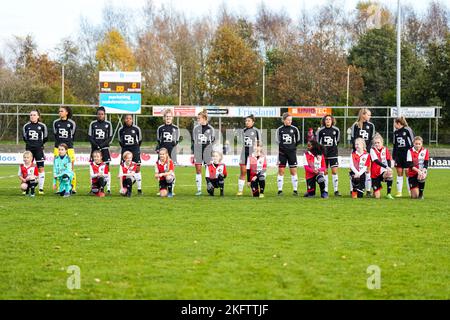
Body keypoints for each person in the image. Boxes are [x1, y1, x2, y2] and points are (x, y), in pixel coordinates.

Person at [350, 108, 375, 197]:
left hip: (366, 152)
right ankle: (353, 189)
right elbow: (353, 139)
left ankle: (368, 190)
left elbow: (371, 140)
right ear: (363, 115)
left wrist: (366, 151)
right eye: (368, 114)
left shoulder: (371, 125)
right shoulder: (355, 125)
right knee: (354, 171)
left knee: (367, 171)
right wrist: (356, 150)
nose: (369, 116)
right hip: (356, 152)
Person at [88, 106, 113, 194]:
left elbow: (110, 137)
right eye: (99, 114)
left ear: (104, 115)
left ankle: (108, 188)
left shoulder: (108, 124)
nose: (100, 115)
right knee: (93, 167)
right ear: (96, 115)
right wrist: (96, 145)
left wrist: (102, 145)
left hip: (105, 149)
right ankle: (93, 188)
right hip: (95, 148)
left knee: (107, 168)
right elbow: (90, 137)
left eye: (102, 114)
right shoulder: (93, 124)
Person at [53, 106, 77, 193]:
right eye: (59, 111)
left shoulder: (72, 123)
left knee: (71, 168)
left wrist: (67, 144)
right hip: (57, 148)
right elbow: (55, 134)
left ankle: (73, 187)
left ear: (66, 112)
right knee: (58, 168)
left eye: (62, 111)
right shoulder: (56, 122)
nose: (60, 113)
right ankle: (60, 188)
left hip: (69, 148)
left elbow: (73, 135)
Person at [23, 110, 47, 194]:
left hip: (39, 150)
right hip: (29, 149)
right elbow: (24, 138)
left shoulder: (42, 126)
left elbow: (45, 137)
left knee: (40, 168)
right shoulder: (26, 126)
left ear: (38, 116)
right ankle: (26, 188)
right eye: (31, 115)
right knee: (27, 168)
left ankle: (41, 189)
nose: (32, 116)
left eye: (34, 115)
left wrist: (39, 144)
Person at [276, 112, 301, 196]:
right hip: (282, 153)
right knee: (281, 171)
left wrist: (292, 148)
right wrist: (282, 148)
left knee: (293, 172)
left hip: (292, 153)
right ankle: (280, 190)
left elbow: (298, 140)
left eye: (291, 120)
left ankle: (295, 190)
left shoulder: (294, 129)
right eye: (288, 120)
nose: (290, 121)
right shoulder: (279, 129)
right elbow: (277, 141)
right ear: (284, 120)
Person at [316, 114, 341, 197]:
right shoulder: (320, 130)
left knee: (334, 171)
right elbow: (318, 143)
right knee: (325, 172)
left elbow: (337, 141)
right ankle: (325, 190)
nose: (328, 121)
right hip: (324, 154)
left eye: (329, 119)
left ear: (332, 120)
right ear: (324, 121)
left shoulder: (336, 130)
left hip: (333, 153)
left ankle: (336, 190)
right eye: (326, 119)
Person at [192, 110, 215, 196]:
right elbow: (194, 140)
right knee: (198, 170)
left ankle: (210, 187)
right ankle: (199, 190)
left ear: (204, 118)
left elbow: (212, 140)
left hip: (207, 152)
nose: (198, 120)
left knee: (208, 170)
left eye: (199, 118)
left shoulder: (211, 129)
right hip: (198, 151)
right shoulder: (196, 128)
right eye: (197, 118)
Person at [119, 114, 143, 195]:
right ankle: (125, 186)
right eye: (127, 118)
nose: (128, 120)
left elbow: (140, 140)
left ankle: (139, 189)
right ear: (124, 120)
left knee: (137, 169)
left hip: (135, 149)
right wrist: (126, 148)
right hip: (125, 149)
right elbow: (120, 141)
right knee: (124, 168)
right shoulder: (121, 129)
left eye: (130, 118)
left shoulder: (136, 129)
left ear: (132, 120)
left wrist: (135, 148)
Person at [237, 114, 261, 196]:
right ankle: (240, 191)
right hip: (244, 153)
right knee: (243, 172)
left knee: (253, 173)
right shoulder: (243, 131)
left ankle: (253, 190)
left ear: (253, 122)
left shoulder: (256, 131)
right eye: (246, 121)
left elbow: (259, 143)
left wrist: (257, 153)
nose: (247, 122)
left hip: (253, 154)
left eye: (249, 121)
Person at [393, 116, 415, 197]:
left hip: (407, 155)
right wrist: (394, 156)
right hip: (399, 156)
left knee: (408, 173)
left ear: (398, 123)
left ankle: (410, 192)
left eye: (394, 123)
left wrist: (412, 154)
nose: (394, 125)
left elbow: (413, 142)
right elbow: (395, 144)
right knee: (399, 173)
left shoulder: (407, 130)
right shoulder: (395, 132)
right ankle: (399, 192)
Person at [370, 133, 394, 199]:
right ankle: (374, 190)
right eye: (375, 143)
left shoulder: (385, 149)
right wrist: (387, 167)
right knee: (377, 197)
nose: (377, 144)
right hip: (375, 174)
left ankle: (388, 194)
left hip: (383, 172)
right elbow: (376, 161)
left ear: (382, 142)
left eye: (378, 142)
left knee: (390, 173)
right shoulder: (372, 150)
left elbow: (388, 159)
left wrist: (388, 168)